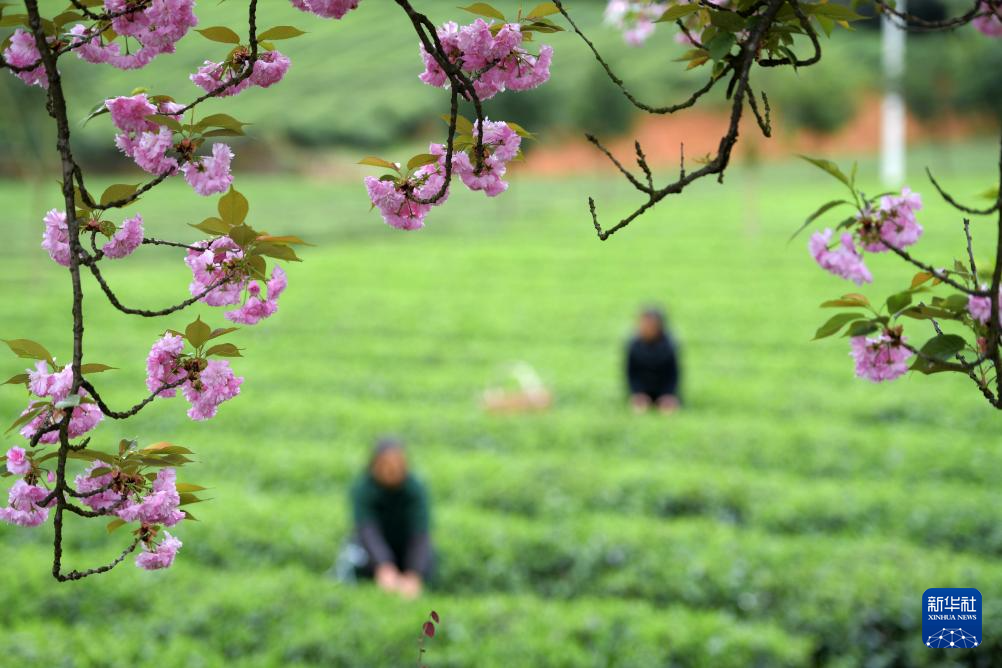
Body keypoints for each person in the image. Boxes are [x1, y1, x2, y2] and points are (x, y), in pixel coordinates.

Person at [336, 438, 434, 599]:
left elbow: (420, 534)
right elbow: (367, 530)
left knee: (426, 561)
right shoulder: (363, 488)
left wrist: (414, 573)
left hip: (406, 549)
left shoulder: (415, 488)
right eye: (385, 464)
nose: (391, 470)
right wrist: (383, 566)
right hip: (374, 552)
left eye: (396, 464)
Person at [626, 307, 682, 414]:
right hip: (642, 390)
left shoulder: (669, 345)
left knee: (668, 410)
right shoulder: (634, 345)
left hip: (665, 391)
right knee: (638, 408)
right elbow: (631, 373)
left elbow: (673, 374)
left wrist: (668, 394)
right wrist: (638, 392)